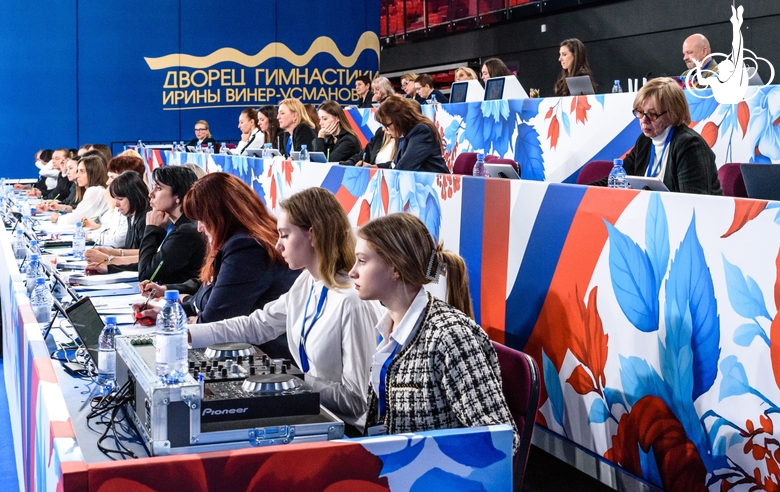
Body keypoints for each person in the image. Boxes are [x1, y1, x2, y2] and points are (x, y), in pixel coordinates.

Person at [187, 187, 380, 434]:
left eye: (285, 235)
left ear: (313, 234)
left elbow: (356, 402)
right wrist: (191, 334)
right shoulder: (306, 282)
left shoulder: (352, 302)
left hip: (343, 431)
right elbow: (257, 326)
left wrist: (290, 377)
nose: (277, 245)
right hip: (311, 414)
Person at [350, 213, 518, 450]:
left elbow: (502, 443)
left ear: (395, 268)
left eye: (362, 261)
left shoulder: (450, 337)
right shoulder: (389, 324)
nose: (352, 272)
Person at [134, 172, 300, 326]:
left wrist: (188, 319)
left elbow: (213, 320)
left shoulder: (246, 249)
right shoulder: (235, 243)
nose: (199, 228)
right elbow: (198, 303)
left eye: (202, 220)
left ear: (220, 217)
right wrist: (164, 313)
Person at [590, 77, 723, 195]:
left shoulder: (689, 145)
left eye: (652, 114)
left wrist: (642, 195)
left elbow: (692, 201)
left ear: (673, 114)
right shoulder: (645, 141)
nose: (644, 120)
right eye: (640, 112)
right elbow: (616, 180)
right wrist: (579, 191)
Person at [88, 166, 207, 284]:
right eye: (153, 187)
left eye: (159, 188)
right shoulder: (176, 224)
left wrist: (152, 229)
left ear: (178, 196)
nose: (151, 194)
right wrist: (110, 268)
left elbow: (147, 274)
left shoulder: (185, 231)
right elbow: (153, 263)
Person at [84, 171, 151, 267]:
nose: (116, 204)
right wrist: (110, 252)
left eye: (120, 199)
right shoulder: (130, 216)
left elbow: (146, 255)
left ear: (134, 196)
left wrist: (110, 258)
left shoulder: (146, 219)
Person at [371, 96, 449, 174]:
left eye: (386, 125)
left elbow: (403, 168)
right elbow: (396, 163)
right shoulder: (410, 132)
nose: (384, 129)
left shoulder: (421, 131)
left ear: (398, 120)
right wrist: (375, 167)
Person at [82, 154, 146, 247]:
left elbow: (119, 240)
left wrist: (91, 236)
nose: (107, 182)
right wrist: (98, 228)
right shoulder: (123, 204)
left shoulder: (136, 209)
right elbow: (114, 230)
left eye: (112, 177)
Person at [51, 154, 109, 225]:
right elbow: (78, 212)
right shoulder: (96, 189)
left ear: (93, 173)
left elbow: (76, 219)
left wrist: (58, 219)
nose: (77, 175)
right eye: (77, 171)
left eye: (82, 171)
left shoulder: (95, 190)